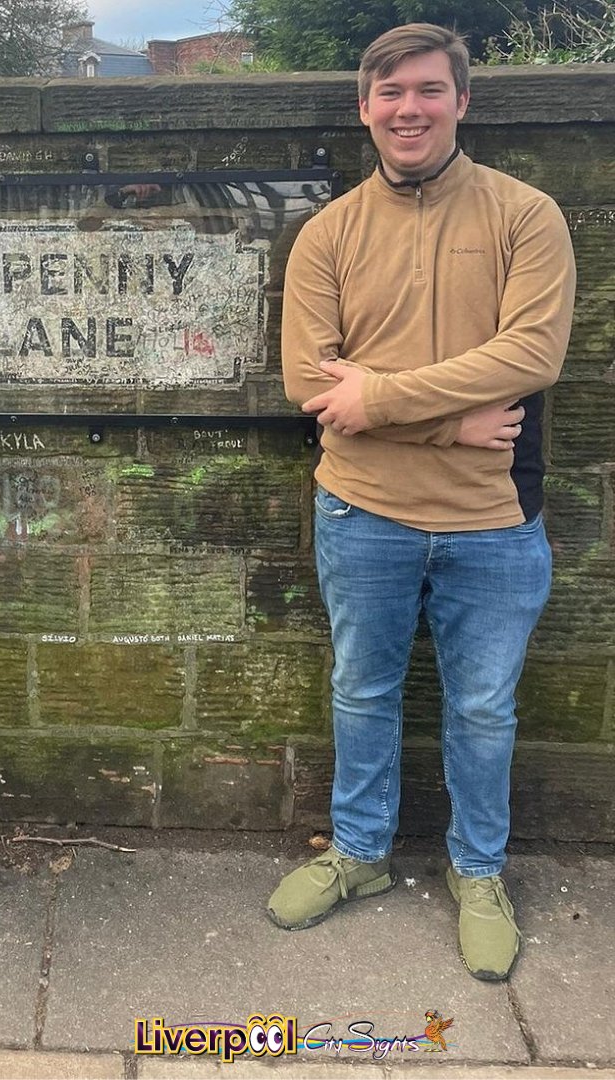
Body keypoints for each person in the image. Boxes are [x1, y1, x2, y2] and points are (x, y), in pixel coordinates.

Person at [269, 24, 575, 982]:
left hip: (493, 519)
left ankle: (477, 871)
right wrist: (448, 422)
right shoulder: (329, 233)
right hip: (363, 512)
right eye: (391, 91)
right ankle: (359, 856)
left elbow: (532, 356)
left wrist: (381, 397)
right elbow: (308, 384)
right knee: (362, 691)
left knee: (483, 710)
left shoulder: (528, 216)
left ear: (461, 102)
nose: (409, 108)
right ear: (365, 107)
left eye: (429, 90)